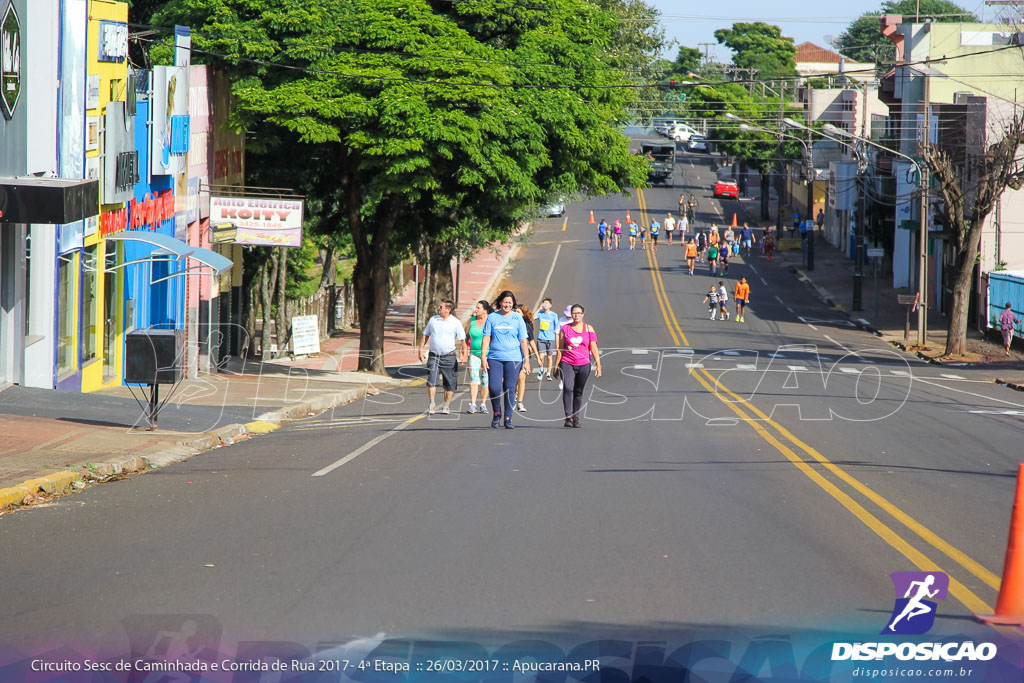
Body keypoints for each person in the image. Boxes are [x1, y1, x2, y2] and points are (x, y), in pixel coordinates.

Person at [481, 291, 531, 428]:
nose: (507, 305)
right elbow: (486, 339)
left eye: (510, 302)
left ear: (513, 304)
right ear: (500, 302)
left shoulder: (517, 318)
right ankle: (497, 413)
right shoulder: (492, 317)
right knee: (494, 387)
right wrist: (483, 358)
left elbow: (523, 341)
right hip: (494, 358)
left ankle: (508, 417)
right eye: (505, 302)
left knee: (509, 388)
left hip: (514, 358)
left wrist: (526, 361)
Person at [554, 304, 601, 428]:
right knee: (568, 388)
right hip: (567, 362)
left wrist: (598, 364)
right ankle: (568, 417)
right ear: (571, 315)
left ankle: (576, 417)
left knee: (578, 391)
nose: (576, 315)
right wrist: (555, 366)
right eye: (574, 313)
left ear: (583, 314)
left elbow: (593, 347)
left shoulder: (589, 328)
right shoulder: (565, 328)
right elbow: (561, 348)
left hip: (584, 364)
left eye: (579, 313)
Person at [417, 298, 467, 415]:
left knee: (449, 384)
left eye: (441, 307)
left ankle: (446, 405)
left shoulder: (455, 322)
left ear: (448, 310)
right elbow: (425, 335)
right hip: (434, 356)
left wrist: (464, 355)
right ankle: (432, 403)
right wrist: (420, 349)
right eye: (439, 306)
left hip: (449, 357)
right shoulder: (433, 320)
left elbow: (463, 341)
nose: (439, 308)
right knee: (431, 381)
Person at [464, 300, 492, 413]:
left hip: (488, 355)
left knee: (486, 379)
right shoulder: (472, 320)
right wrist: (465, 351)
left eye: (478, 308)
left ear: (485, 310)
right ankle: (473, 404)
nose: (476, 310)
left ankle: (483, 404)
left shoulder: (490, 320)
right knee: (474, 378)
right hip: (474, 354)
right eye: (476, 307)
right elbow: (465, 336)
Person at [514, 304, 540, 412]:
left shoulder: (526, 325)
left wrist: (538, 357)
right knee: (513, 380)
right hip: (512, 355)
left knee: (522, 378)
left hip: (524, 355)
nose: (516, 314)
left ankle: (520, 402)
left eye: (518, 312)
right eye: (515, 311)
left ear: (523, 315)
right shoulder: (510, 323)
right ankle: (514, 394)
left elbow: (532, 342)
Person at [534, 298, 560, 379]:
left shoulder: (554, 315)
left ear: (550, 305)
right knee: (541, 356)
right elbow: (532, 317)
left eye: (547, 303)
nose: (545, 305)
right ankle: (541, 369)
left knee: (549, 357)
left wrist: (557, 338)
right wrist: (539, 309)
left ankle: (548, 373)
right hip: (541, 338)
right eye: (544, 303)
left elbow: (557, 326)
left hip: (550, 338)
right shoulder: (540, 314)